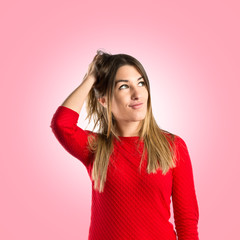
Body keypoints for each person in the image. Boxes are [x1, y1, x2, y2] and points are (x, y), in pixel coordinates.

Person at [50, 50, 199, 240]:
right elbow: (62, 124)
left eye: (141, 83)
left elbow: (186, 219)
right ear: (103, 100)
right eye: (123, 87)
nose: (137, 93)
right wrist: (92, 78)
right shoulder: (96, 147)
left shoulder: (173, 146)